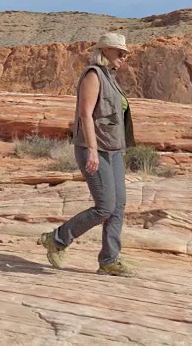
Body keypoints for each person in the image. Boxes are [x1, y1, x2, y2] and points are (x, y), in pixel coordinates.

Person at [38, 32, 136, 277]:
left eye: (124, 53)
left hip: (113, 149)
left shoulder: (111, 78)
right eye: (119, 52)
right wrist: (92, 150)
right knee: (105, 206)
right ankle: (57, 239)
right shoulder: (93, 75)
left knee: (118, 207)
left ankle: (109, 260)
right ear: (105, 51)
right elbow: (85, 115)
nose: (123, 56)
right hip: (95, 148)